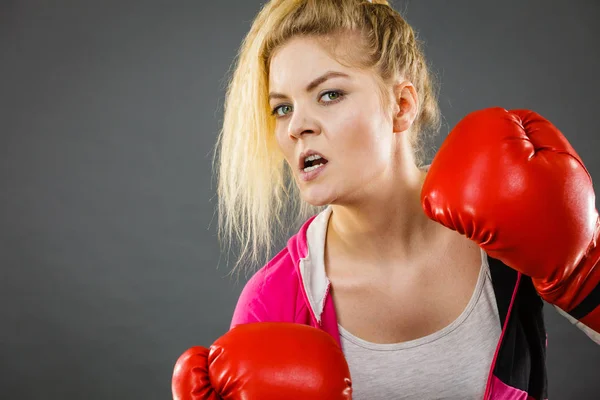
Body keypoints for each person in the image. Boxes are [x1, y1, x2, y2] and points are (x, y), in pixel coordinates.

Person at [175, 0, 600, 399]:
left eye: (329, 94)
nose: (297, 126)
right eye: (282, 108)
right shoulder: (275, 300)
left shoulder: (502, 218)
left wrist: (584, 275)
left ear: (400, 105)